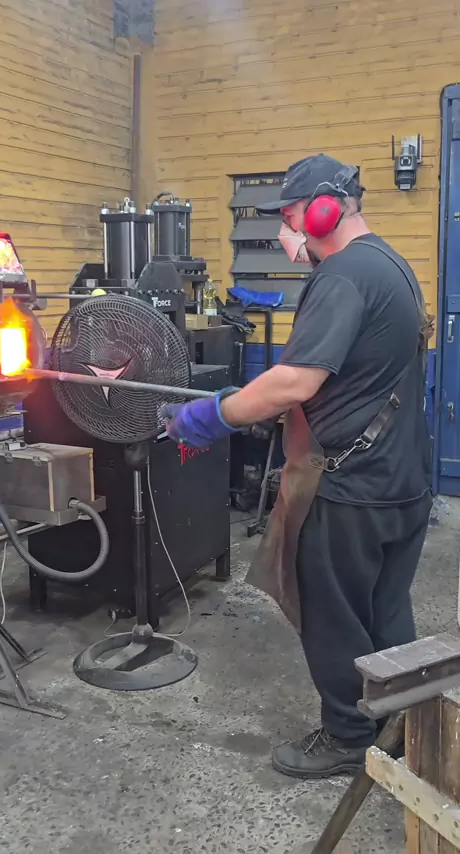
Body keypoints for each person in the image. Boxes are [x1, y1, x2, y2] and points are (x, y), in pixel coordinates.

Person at [161, 153, 433, 780]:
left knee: (332, 615)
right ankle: (397, 726)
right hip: (402, 483)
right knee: (385, 609)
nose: (286, 232)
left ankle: (348, 736)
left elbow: (293, 382)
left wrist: (212, 415)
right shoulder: (391, 265)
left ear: (324, 210)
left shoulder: (343, 276)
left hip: (350, 488)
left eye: (290, 217)